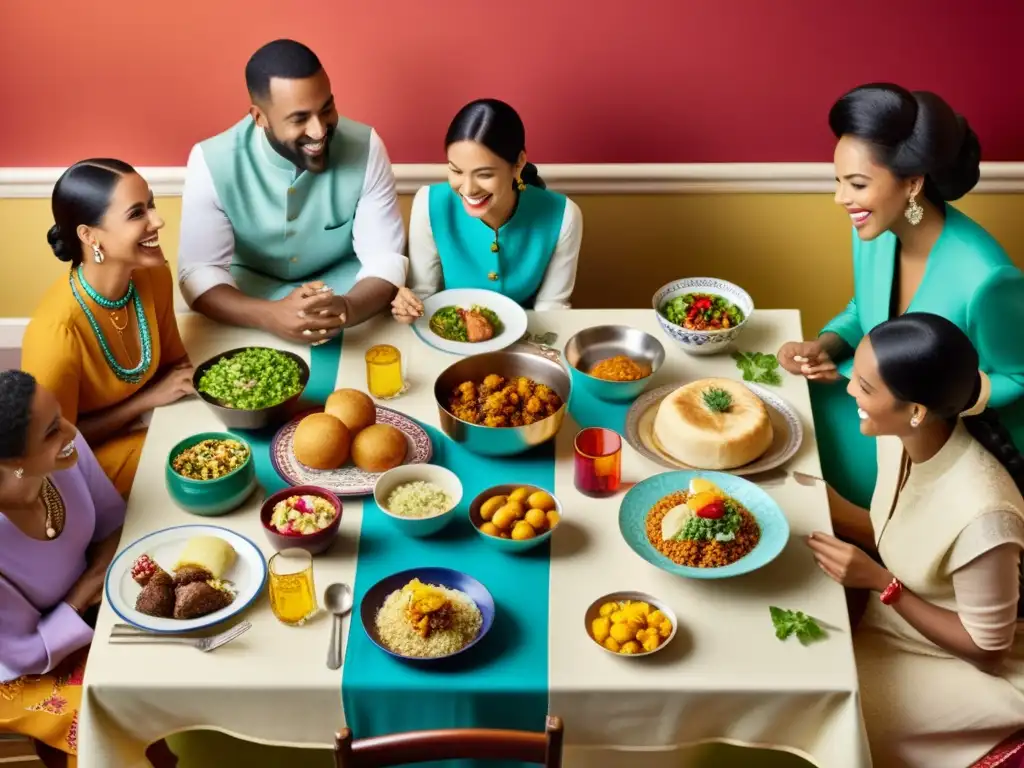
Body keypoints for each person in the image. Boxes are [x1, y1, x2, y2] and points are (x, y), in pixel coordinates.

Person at [778, 83, 1024, 509]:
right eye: (837, 181)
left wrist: (932, 398)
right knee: (784, 426)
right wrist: (827, 345)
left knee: (806, 496)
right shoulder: (874, 231)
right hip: (876, 412)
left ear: (912, 183)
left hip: (951, 444)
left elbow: (1019, 377)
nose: (841, 199)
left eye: (856, 183)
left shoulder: (987, 278)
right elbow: (867, 313)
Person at [806, 313, 1024, 767]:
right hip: (896, 619)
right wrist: (821, 504)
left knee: (837, 717)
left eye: (864, 386)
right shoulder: (901, 437)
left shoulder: (984, 514)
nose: (849, 391)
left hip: (968, 666)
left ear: (916, 410)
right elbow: (905, 534)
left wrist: (881, 582)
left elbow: (987, 651)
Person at [178, 39, 408, 344]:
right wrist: (268, 315)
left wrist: (347, 309)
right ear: (260, 118)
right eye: (299, 118)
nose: (319, 130)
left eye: (327, 108)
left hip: (351, 299)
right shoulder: (210, 161)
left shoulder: (367, 146)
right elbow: (199, 271)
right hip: (245, 308)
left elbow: (385, 257)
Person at [21, 159, 193, 498]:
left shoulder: (153, 274)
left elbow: (177, 367)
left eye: (152, 205)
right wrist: (143, 403)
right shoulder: (56, 335)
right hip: (84, 466)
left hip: (153, 425)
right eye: (136, 214)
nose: (157, 221)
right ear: (88, 235)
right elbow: (53, 452)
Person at [0, 369, 123, 762]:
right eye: (52, 430)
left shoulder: (67, 451)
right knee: (104, 717)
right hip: (18, 671)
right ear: (11, 463)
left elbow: (112, 523)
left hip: (82, 615)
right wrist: (86, 591)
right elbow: (23, 653)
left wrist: (91, 591)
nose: (72, 430)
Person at [390, 98, 582, 322]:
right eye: (456, 170)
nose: (468, 188)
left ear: (518, 163)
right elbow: (424, 294)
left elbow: (552, 308)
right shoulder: (428, 204)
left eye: (484, 174)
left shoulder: (564, 215)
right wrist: (409, 309)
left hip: (527, 336)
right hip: (451, 335)